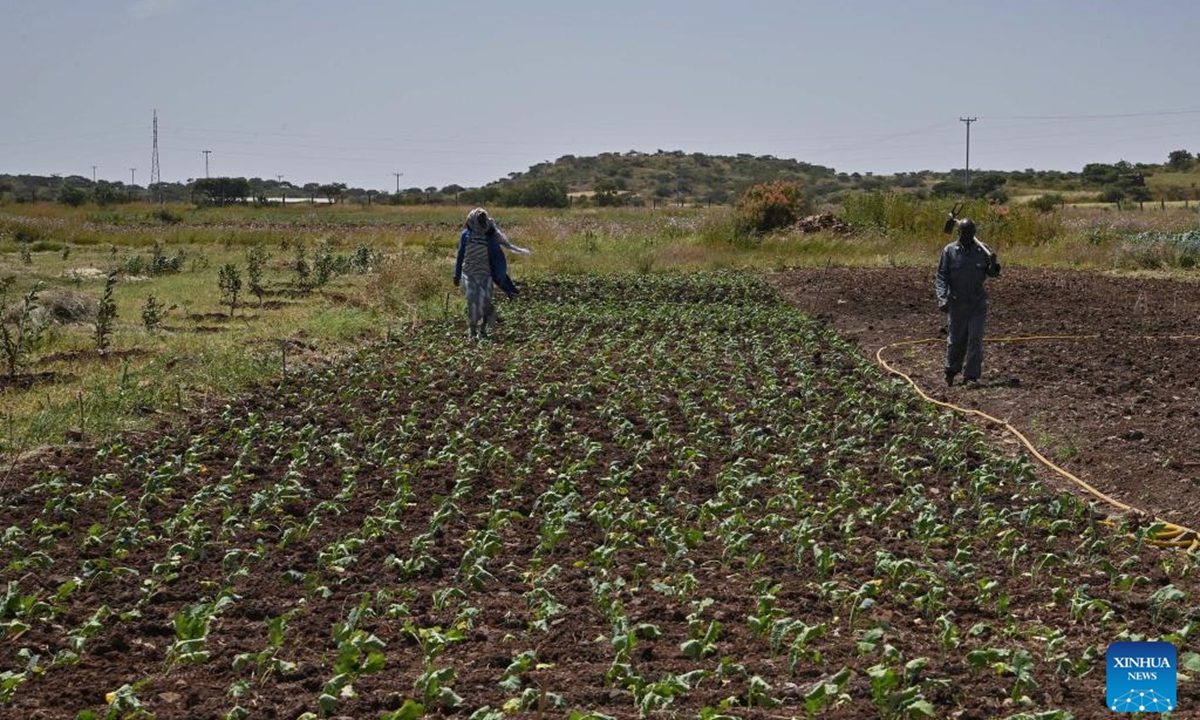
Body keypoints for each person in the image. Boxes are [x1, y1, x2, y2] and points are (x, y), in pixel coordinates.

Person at [935, 218, 1001, 387]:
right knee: (956, 340)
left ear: (974, 233)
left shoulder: (983, 250)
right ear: (959, 233)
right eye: (964, 232)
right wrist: (942, 298)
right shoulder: (949, 251)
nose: (967, 236)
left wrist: (994, 264)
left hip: (977, 303)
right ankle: (951, 370)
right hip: (957, 303)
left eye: (970, 233)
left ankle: (971, 376)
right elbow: (942, 276)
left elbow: (993, 274)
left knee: (975, 339)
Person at [453, 208, 530, 339]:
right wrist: (457, 274)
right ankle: (472, 332)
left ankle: (483, 332)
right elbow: (460, 255)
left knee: (485, 301)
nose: (482, 223)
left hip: (486, 274)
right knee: (473, 302)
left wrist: (502, 280)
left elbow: (498, 256)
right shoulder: (465, 235)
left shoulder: (490, 235)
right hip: (469, 274)